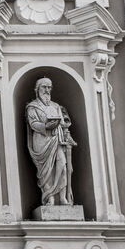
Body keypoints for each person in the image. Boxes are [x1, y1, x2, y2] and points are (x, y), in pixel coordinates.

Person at [25, 76, 76, 206]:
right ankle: (50, 198)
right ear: (37, 89)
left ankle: (63, 198)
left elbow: (63, 123)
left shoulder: (56, 106)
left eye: (49, 87)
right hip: (42, 140)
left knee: (62, 166)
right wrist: (46, 126)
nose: (47, 90)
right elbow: (33, 123)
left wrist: (65, 131)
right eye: (44, 87)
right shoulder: (32, 107)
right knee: (47, 171)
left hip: (57, 140)